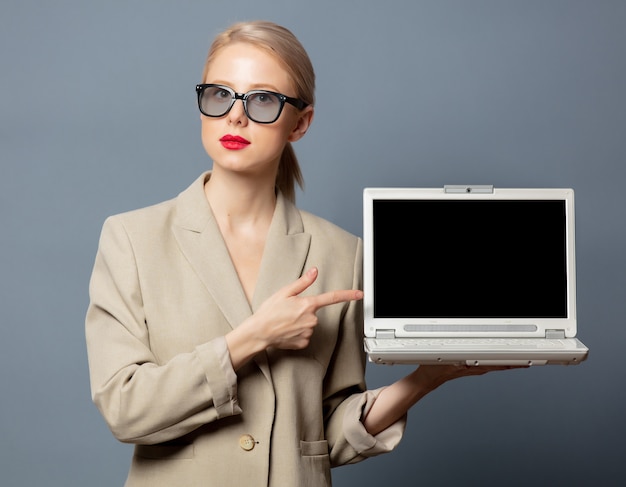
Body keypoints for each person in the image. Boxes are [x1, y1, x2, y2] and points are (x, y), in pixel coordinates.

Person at [85, 20, 516, 487]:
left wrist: (428, 378)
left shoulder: (343, 253)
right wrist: (251, 338)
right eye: (220, 94)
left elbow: (327, 434)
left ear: (301, 123)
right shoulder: (132, 238)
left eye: (263, 100)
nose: (236, 116)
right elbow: (124, 410)